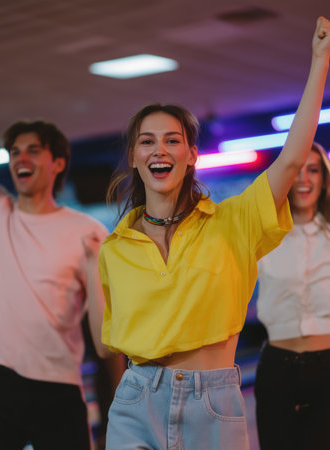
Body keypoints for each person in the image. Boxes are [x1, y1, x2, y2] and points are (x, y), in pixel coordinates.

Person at [98, 17, 330, 450]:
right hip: (137, 400)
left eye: (172, 140)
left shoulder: (233, 222)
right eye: (147, 142)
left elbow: (293, 157)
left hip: (213, 402)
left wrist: (320, 60)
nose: (159, 150)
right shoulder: (114, 248)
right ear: (133, 157)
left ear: (191, 155)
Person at [0, 120, 119, 450]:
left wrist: (117, 409)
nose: (21, 159)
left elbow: (108, 329)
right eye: (15, 152)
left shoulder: (87, 232)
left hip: (58, 386)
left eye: (33, 150)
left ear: (58, 163)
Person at [255, 142, 330, 450]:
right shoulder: (262, 234)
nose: (304, 180)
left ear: (324, 178)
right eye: (296, 171)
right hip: (277, 367)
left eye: (313, 170)